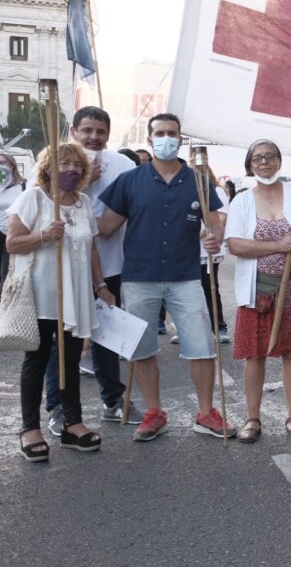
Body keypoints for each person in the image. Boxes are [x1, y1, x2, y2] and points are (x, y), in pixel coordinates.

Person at [97, 113, 235, 442]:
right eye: (160, 133)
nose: (167, 139)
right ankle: (155, 412)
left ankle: (205, 413)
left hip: (186, 276)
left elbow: (215, 222)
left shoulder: (198, 181)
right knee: (142, 349)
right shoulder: (131, 180)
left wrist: (214, 235)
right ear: (149, 139)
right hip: (139, 276)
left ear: (181, 140)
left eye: (172, 133)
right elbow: (104, 228)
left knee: (202, 346)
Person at [6, 143, 116, 461]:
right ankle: (30, 428)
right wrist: (43, 235)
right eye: (64, 163)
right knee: (37, 360)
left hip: (75, 295)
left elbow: (92, 249)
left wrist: (101, 286)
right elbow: (12, 243)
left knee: (70, 360)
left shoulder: (82, 202)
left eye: (77, 165)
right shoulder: (34, 198)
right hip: (41, 294)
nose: (72, 170)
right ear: (48, 168)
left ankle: (73, 422)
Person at [44, 107, 142, 434]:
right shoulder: (57, 158)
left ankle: (113, 400)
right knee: (62, 338)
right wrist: (84, 179)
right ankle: (57, 407)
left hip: (108, 263)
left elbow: (133, 205)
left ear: (108, 134)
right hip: (62, 266)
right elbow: (45, 203)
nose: (93, 137)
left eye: (100, 131)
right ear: (73, 130)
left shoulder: (124, 164)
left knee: (106, 335)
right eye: (87, 130)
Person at [225, 139, 291, 443]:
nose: (264, 162)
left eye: (270, 157)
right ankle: (252, 418)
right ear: (250, 165)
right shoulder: (242, 201)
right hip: (257, 288)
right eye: (257, 158)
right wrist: (277, 246)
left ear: (279, 161)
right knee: (254, 354)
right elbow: (235, 244)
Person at [191, 152, 230, 342]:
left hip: (207, 249)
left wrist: (198, 233)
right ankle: (195, 328)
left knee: (209, 287)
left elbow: (220, 219)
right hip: (188, 249)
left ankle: (219, 326)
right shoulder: (188, 188)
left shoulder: (216, 190)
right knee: (190, 289)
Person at [1, 151, 26, 296]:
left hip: (12, 234)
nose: (1, 166)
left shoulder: (22, 186)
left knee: (7, 272)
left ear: (12, 165)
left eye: (4, 163)